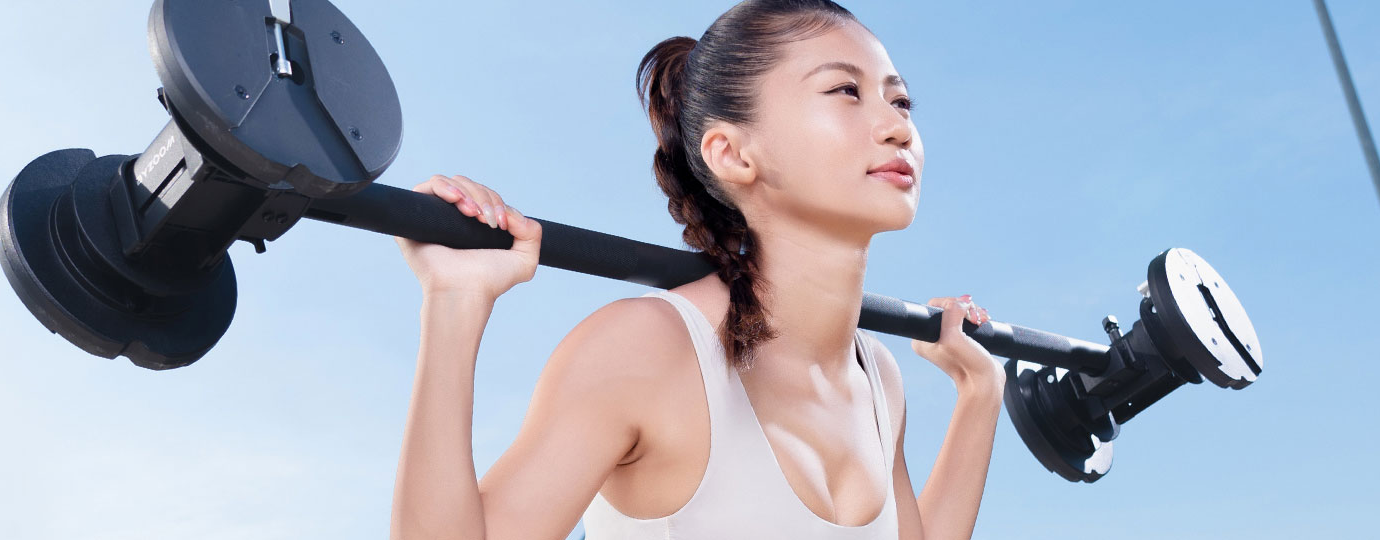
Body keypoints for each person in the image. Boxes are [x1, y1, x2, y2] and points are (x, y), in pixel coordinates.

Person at [389, 1, 1002, 538]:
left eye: (900, 99)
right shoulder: (644, 349)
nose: (898, 127)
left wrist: (980, 395)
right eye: (846, 91)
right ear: (733, 153)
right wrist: (453, 300)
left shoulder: (878, 378)